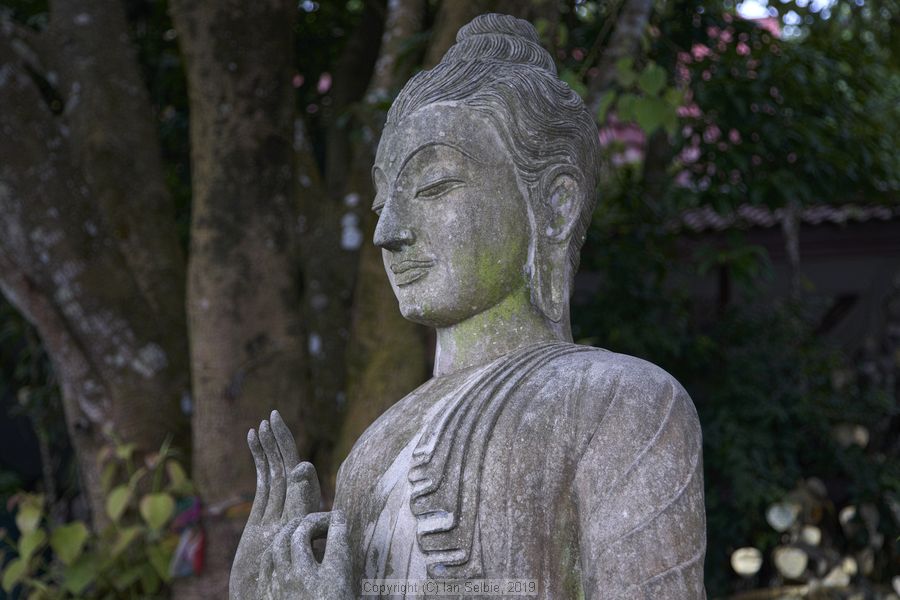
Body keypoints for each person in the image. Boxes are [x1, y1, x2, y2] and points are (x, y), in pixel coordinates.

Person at [230, 13, 706, 600]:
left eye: (433, 188)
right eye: (384, 201)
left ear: (555, 205)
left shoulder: (622, 403)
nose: (389, 232)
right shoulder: (370, 454)